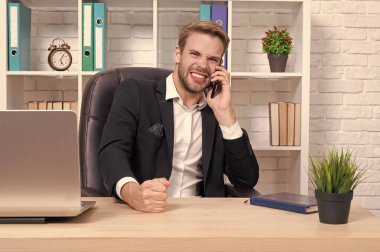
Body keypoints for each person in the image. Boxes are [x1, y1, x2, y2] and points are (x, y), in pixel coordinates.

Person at [98, 20, 259, 213]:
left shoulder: (217, 112)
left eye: (212, 59)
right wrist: (134, 194)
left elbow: (246, 179)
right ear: (177, 53)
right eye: (195, 54)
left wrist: (226, 114)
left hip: (205, 217)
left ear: (219, 67)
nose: (202, 65)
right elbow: (111, 153)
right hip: (147, 212)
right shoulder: (136, 93)